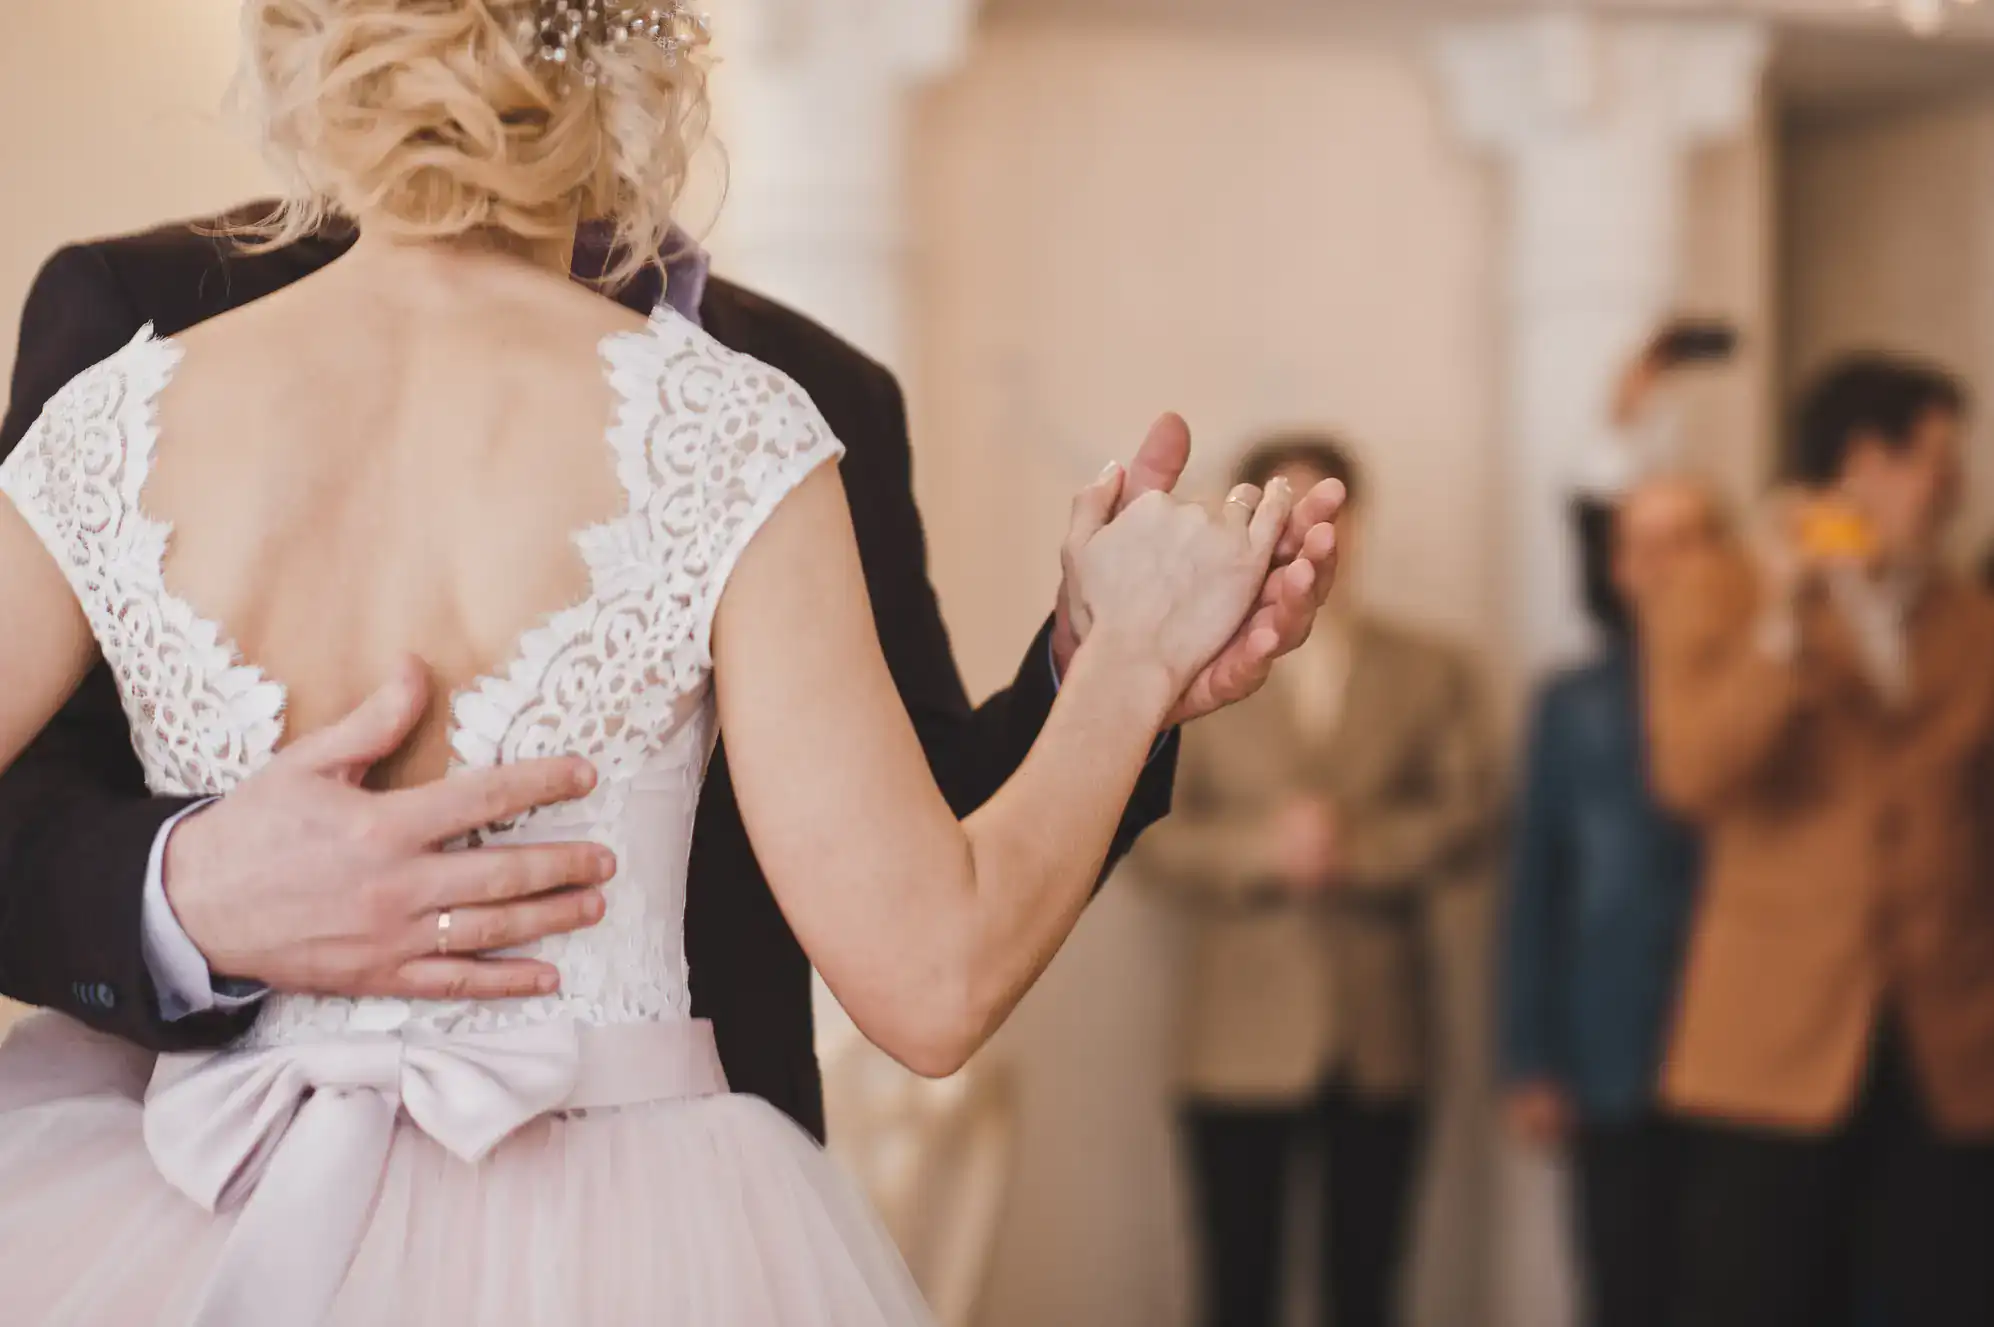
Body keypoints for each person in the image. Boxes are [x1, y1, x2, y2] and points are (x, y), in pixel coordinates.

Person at [0, 3, 1343, 1324]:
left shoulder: (113, 421)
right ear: (634, 55)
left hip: (177, 1216)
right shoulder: (723, 428)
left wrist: (1088, 669)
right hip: (628, 1230)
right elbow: (930, 984)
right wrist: (1141, 660)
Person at [1642, 355, 1994, 1327]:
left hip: (1946, 1044)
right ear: (1860, 461)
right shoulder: (1719, 590)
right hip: (1769, 1043)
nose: (1955, 484)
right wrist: (1783, 618)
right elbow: (1692, 775)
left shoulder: (1969, 617)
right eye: (1936, 458)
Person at [1135, 434, 1498, 1327]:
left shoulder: (1430, 667)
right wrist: (1265, 850)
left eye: (1322, 513)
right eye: (1274, 512)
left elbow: (1470, 812)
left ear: (1359, 523)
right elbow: (1147, 837)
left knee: (1368, 1282)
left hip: (1381, 1027)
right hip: (1236, 1035)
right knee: (1236, 1282)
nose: (1299, 534)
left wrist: (1357, 848)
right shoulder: (1181, 663)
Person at [1499, 474, 1717, 1327]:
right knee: (1622, 1288)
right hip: (1609, 1046)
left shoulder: (1773, 684)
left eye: (1685, 539)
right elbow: (1537, 886)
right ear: (1617, 565)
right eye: (1642, 544)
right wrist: (1529, 1054)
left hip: (1748, 1048)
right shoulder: (1571, 702)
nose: (1662, 565)